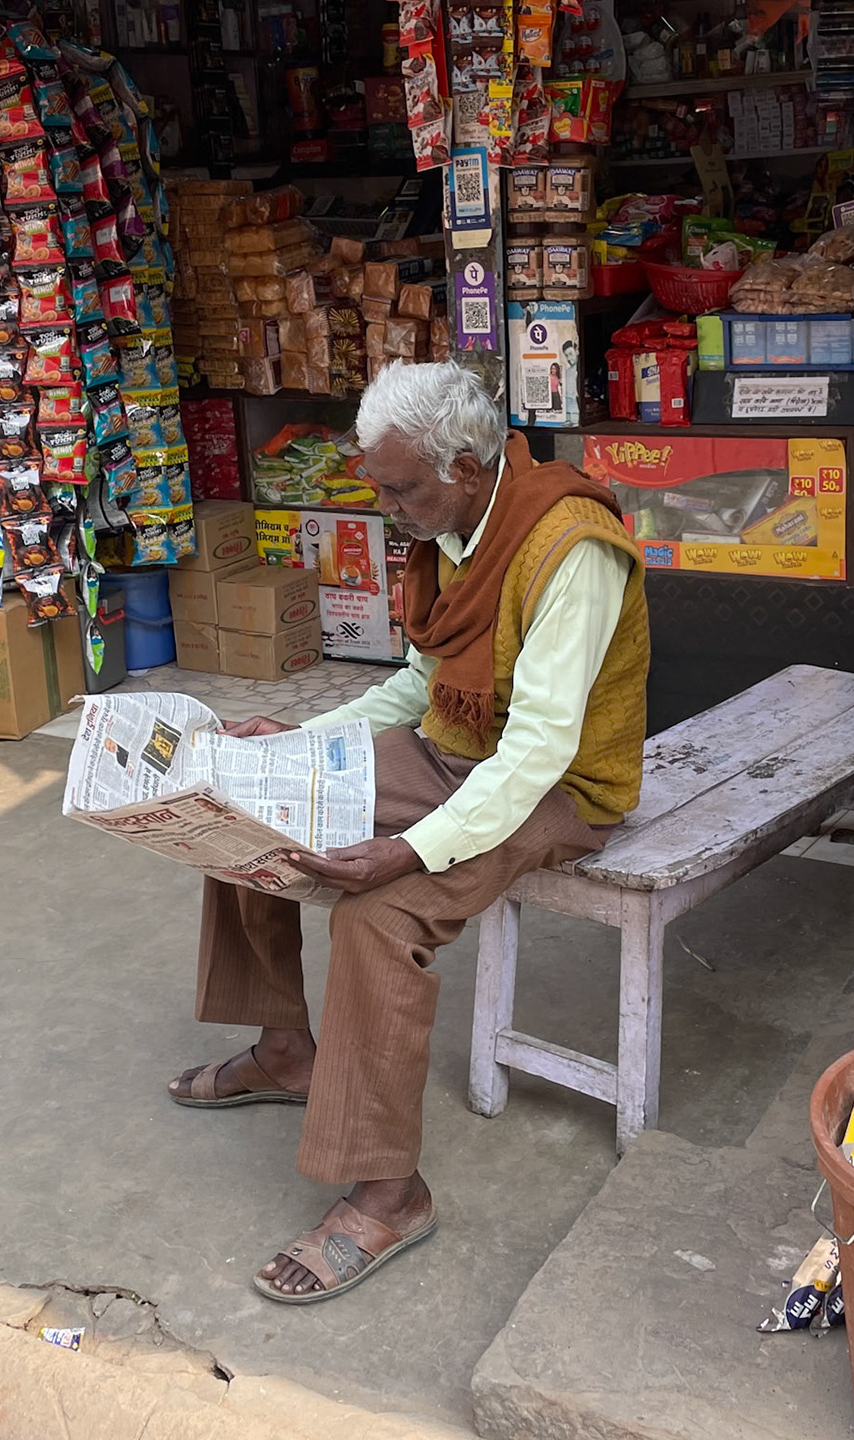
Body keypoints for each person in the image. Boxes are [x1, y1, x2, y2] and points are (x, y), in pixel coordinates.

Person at [169, 361, 649, 1304]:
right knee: (244, 800)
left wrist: (410, 850)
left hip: (558, 787)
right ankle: (285, 1052)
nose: (388, 508)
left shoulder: (571, 548)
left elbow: (538, 750)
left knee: (379, 918)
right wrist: (299, 740)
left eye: (400, 488)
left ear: (466, 466)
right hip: (458, 752)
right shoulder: (454, 527)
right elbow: (421, 687)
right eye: (381, 487)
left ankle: (391, 1193)